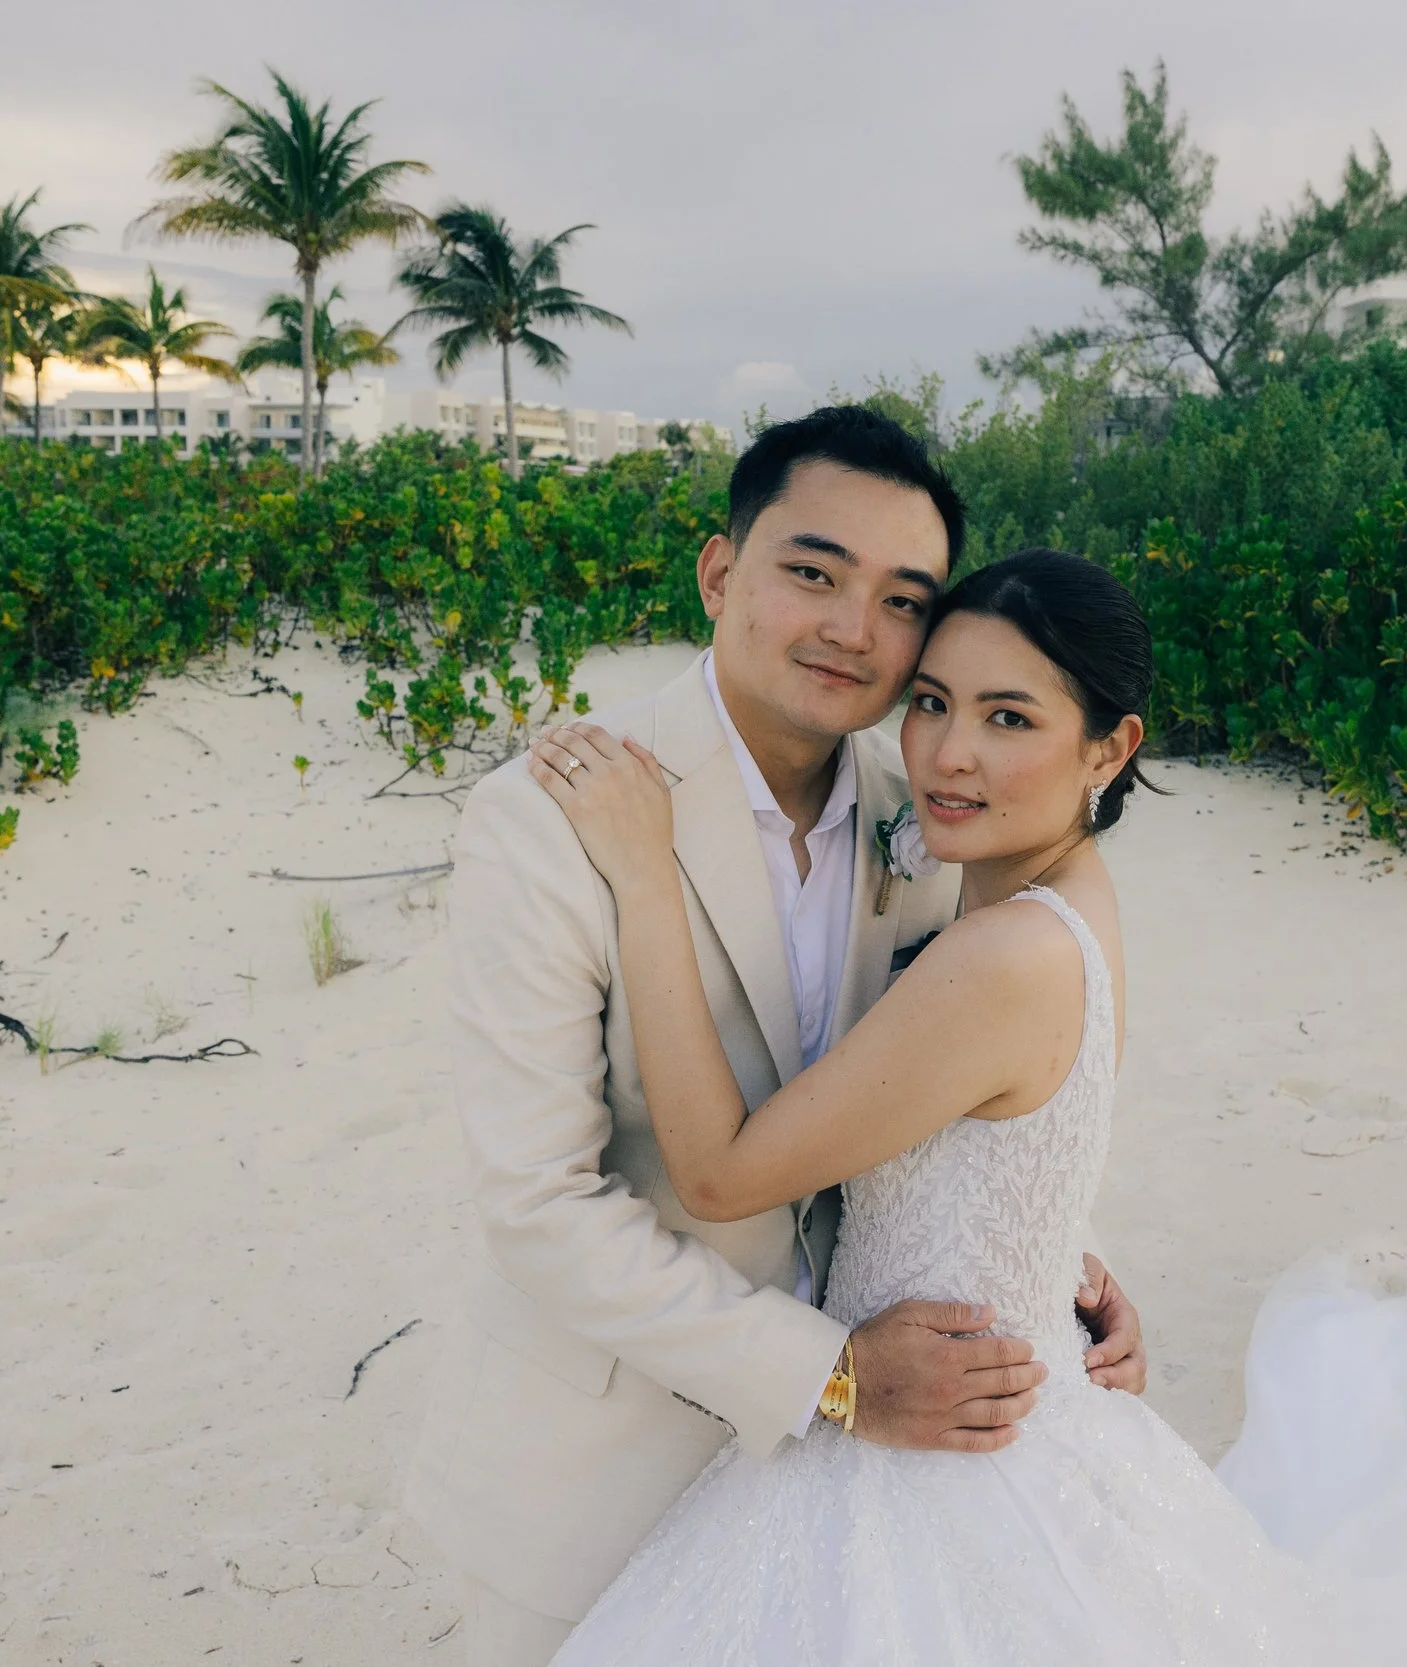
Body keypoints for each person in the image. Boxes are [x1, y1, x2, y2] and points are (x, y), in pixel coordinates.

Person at [526, 549, 1407, 1665]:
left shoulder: (1007, 952)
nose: (950, 755)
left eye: (1009, 717)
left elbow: (716, 1170)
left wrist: (647, 877)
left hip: (938, 1438)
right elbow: (1014, 1138)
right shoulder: (1064, 902)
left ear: (1110, 746)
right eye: (931, 703)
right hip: (1017, 1382)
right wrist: (1060, 1259)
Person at [407, 409, 1149, 1667]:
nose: (853, 628)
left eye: (901, 596)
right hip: (609, 1467)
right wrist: (832, 1376)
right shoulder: (554, 821)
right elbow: (539, 1202)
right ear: (718, 571)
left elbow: (934, 1082)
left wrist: (1056, 1256)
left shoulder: (927, 813)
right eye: (812, 571)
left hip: (886, 1487)